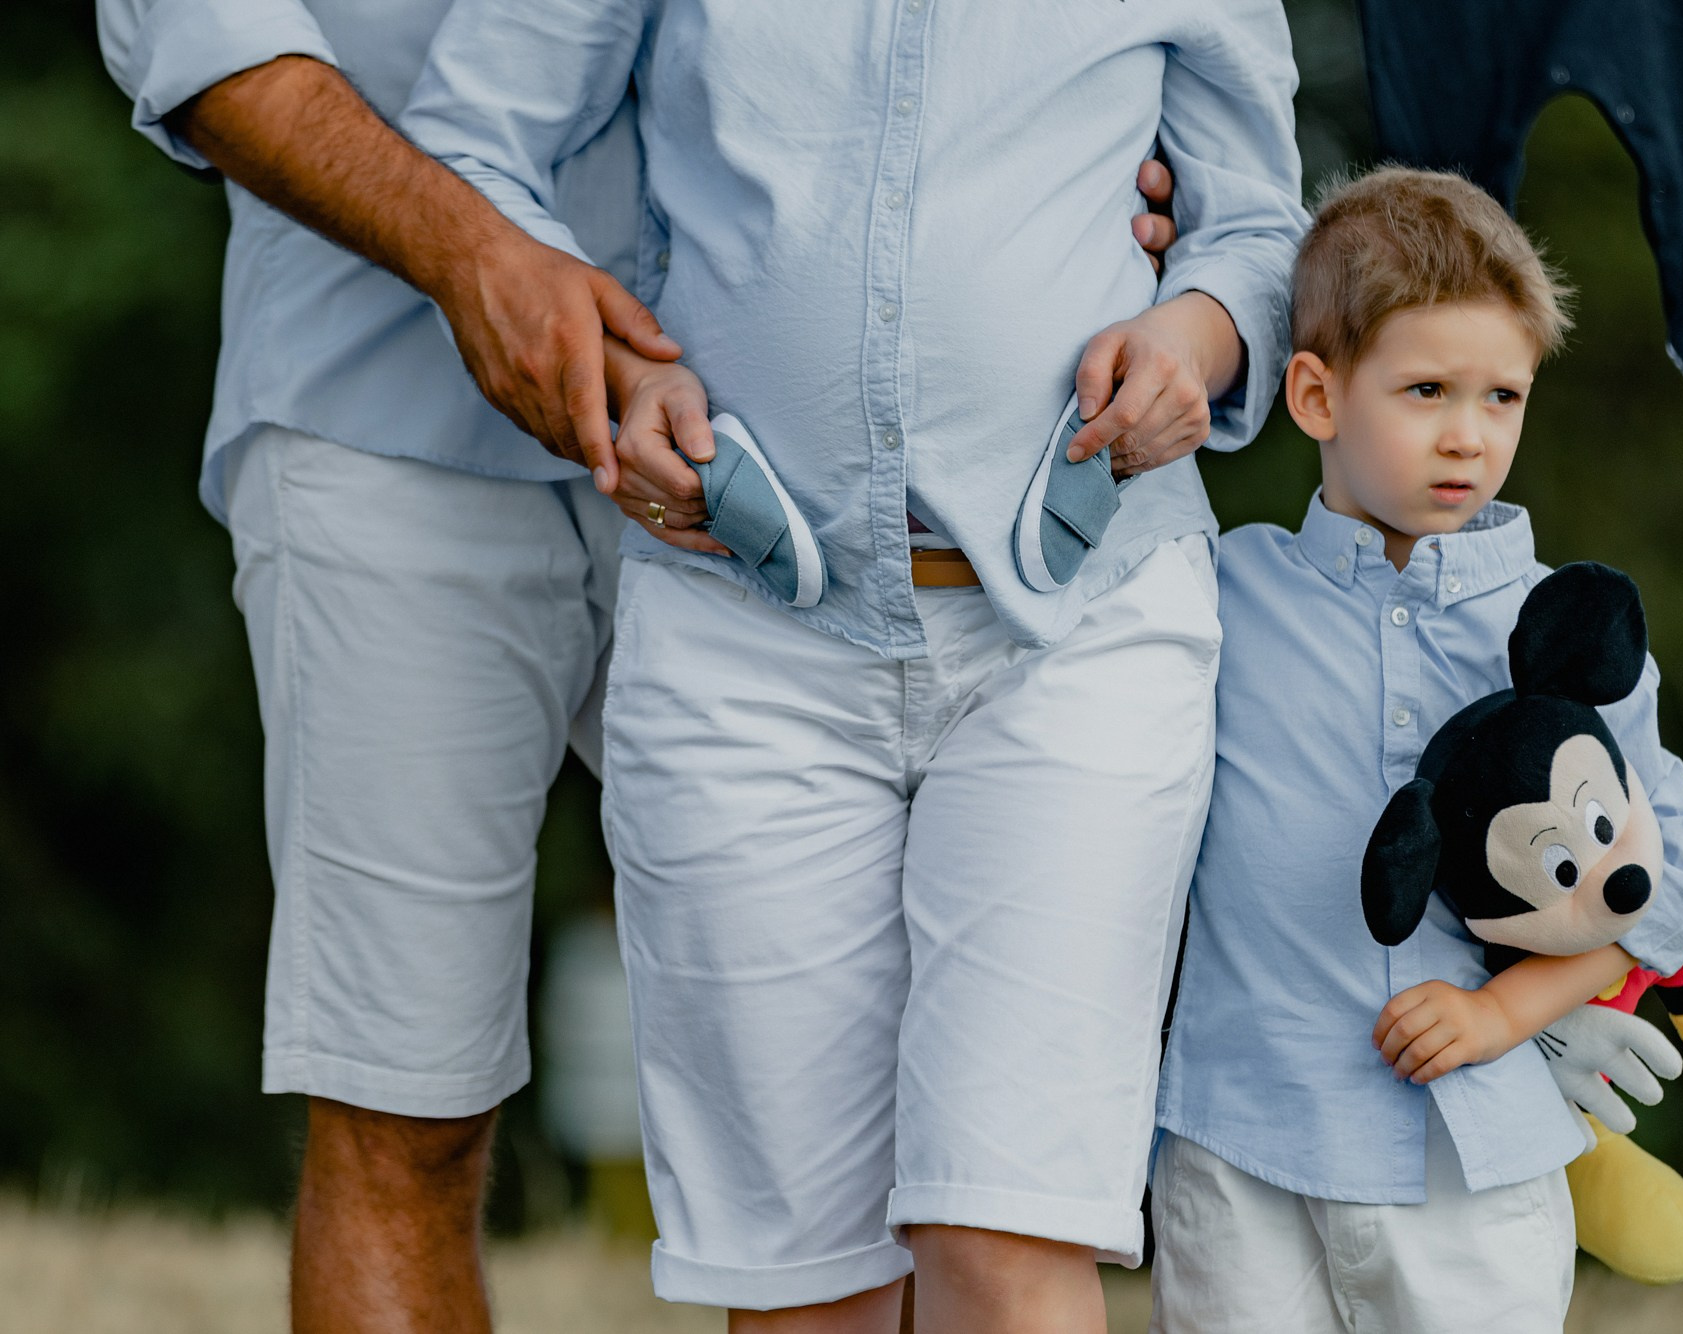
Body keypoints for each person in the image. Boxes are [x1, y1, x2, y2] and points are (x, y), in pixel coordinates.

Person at [92, 4, 1182, 1330]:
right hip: (381, 407)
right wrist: (467, 253)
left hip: (772, 459)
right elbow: (202, 38)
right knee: (405, 1099)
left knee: (936, 1136)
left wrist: (1043, 170)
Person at [402, 2, 1308, 1330]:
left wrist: (1199, 337)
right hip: (736, 632)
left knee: (1007, 1231)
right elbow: (471, 154)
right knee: (799, 1282)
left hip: (1080, 631)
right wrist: (604, 376)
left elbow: (1259, 230)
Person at [1148, 167, 1683, 1333]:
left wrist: (1499, 1016)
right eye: (1424, 390)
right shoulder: (1218, 588)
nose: (1468, 436)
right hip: (1239, 1141)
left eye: (1502, 397)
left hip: (1471, 1152)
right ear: (1314, 395)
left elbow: (1666, 875)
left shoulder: (1567, 632)